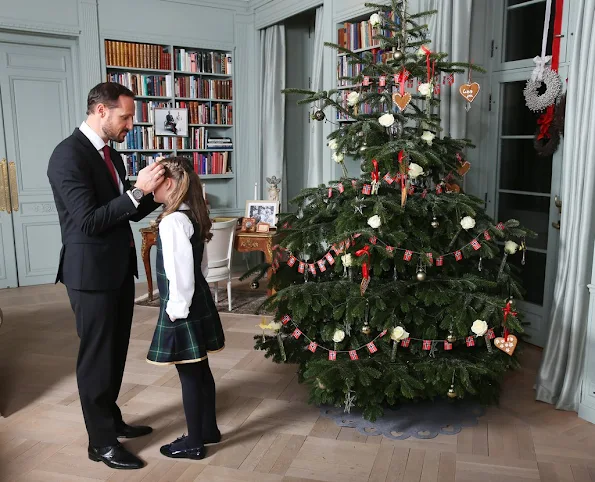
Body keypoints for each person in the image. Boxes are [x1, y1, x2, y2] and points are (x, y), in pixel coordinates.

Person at [47, 82, 166, 470]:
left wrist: (153, 193)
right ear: (101, 111)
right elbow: (89, 221)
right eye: (125, 116)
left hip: (115, 270)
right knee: (96, 359)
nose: (131, 124)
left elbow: (124, 213)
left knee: (114, 354)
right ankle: (100, 443)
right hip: (90, 274)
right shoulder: (67, 156)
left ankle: (110, 421)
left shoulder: (110, 155)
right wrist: (136, 192)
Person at [146, 156, 225, 460]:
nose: (149, 187)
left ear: (167, 183)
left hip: (183, 305)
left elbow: (179, 272)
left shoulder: (172, 221)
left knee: (189, 375)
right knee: (201, 369)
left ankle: (194, 442)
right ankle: (208, 430)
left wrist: (177, 310)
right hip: (197, 298)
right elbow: (200, 266)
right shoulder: (191, 213)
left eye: (155, 179)